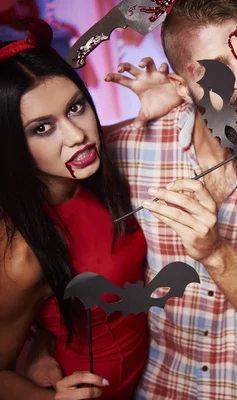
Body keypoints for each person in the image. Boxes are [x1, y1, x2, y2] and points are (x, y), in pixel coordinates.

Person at [85, 0, 237, 398]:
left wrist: (215, 252)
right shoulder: (132, 149)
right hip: (162, 387)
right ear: (182, 87)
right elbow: (44, 162)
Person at [0, 18, 148, 399]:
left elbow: (116, 130)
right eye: (42, 128)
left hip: (150, 383)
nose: (76, 135)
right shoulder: (22, 253)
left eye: (76, 107)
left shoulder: (98, 169)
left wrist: (160, 104)